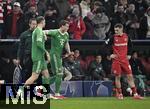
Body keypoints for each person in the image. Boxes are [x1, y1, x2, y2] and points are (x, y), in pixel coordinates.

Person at [105, 23, 143, 100]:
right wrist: (110, 54)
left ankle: (135, 94)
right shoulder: (113, 37)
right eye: (115, 30)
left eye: (117, 30)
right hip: (116, 60)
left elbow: (130, 46)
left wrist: (129, 54)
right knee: (118, 77)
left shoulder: (127, 36)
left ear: (121, 29)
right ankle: (120, 94)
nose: (116, 31)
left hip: (125, 60)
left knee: (130, 76)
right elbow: (105, 46)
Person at [17, 16, 50, 99]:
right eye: (44, 22)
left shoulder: (38, 31)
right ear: (42, 22)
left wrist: (44, 37)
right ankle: (20, 91)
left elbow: (40, 40)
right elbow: (38, 44)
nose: (45, 23)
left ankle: (46, 94)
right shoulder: (38, 31)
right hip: (38, 57)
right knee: (34, 76)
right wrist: (46, 52)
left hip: (40, 57)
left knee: (46, 75)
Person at [44, 20, 73, 99]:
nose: (68, 28)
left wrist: (69, 52)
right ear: (62, 26)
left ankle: (43, 86)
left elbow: (66, 43)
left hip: (59, 56)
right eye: (66, 26)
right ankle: (57, 94)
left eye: (68, 26)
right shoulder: (55, 32)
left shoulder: (66, 34)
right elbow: (44, 31)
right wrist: (44, 35)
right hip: (54, 55)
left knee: (57, 75)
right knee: (59, 74)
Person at [13, 18, 37, 83]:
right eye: (33, 24)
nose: (34, 26)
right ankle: (25, 89)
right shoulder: (24, 34)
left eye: (35, 24)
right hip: (27, 57)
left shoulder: (39, 34)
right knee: (27, 74)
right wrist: (18, 59)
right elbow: (21, 48)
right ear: (29, 24)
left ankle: (37, 91)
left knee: (37, 75)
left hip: (37, 57)